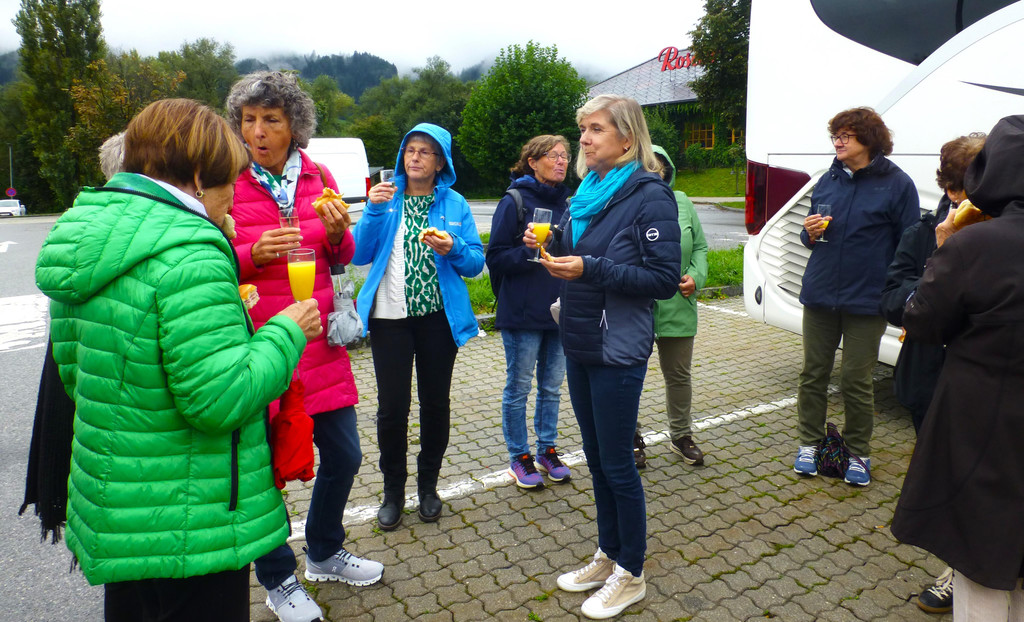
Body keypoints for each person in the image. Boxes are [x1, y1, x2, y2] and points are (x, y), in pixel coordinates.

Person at [34, 98, 322, 622]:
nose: (233, 198)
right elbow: (220, 400)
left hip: (121, 506)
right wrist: (286, 332)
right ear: (196, 179)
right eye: (228, 183)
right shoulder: (190, 254)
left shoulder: (93, 237)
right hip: (192, 516)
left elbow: (76, 374)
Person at [225, 70, 383, 622]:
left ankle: (323, 551)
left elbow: (342, 256)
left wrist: (339, 234)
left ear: (294, 125)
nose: (258, 131)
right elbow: (207, 260)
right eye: (249, 120)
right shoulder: (226, 179)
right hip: (260, 345)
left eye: (271, 119)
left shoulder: (319, 175)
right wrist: (250, 254)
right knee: (263, 472)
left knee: (345, 454)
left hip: (319, 341)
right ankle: (277, 579)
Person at [530, 94, 681, 619]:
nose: (584, 139)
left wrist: (589, 268)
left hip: (618, 347)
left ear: (627, 137)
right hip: (578, 339)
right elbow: (580, 254)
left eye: (595, 129)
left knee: (618, 464)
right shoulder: (587, 192)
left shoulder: (650, 196)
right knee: (596, 460)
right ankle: (609, 553)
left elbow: (662, 279)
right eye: (583, 129)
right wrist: (549, 248)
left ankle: (631, 573)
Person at [891, 114, 1024, 622]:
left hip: (983, 424)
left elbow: (923, 320)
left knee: (979, 560)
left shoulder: (977, 243)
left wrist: (944, 250)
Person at [352, 122, 484, 531]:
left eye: (425, 151)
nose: (415, 157)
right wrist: (372, 209)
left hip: (437, 321)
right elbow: (358, 253)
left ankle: (428, 487)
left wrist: (453, 247)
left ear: (440, 162)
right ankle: (393, 492)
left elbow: (475, 263)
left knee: (435, 404)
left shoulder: (454, 203)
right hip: (389, 320)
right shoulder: (385, 197)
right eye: (410, 149)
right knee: (392, 409)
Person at [880, 132, 985, 615]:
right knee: (943, 475)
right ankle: (955, 568)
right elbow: (891, 297)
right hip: (930, 378)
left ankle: (971, 570)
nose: (960, 198)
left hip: (987, 382)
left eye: (970, 188)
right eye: (954, 188)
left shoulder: (1002, 234)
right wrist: (940, 262)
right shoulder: (925, 231)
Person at [793, 107, 919, 486]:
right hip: (821, 293)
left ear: (869, 139)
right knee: (813, 374)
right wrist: (809, 233)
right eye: (835, 134)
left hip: (867, 299)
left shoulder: (897, 184)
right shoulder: (828, 179)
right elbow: (809, 236)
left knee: (855, 379)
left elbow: (910, 245)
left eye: (846, 135)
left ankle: (858, 452)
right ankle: (809, 444)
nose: (838, 141)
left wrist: (901, 293)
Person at [486, 135, 572, 489]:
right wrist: (528, 252)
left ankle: (547, 450)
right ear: (533, 162)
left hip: (558, 309)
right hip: (522, 312)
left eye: (566, 155)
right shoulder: (515, 200)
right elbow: (494, 257)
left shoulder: (570, 203)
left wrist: (557, 244)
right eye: (554, 155)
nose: (562, 161)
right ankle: (519, 456)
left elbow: (572, 249)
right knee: (519, 387)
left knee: (551, 387)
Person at [632, 145, 709, 470]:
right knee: (631, 375)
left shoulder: (683, 202)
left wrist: (696, 277)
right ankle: (631, 437)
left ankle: (681, 436)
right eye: (646, 165)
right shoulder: (627, 202)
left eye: (658, 165)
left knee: (678, 376)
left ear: (667, 170)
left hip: (678, 303)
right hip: (637, 305)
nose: (653, 171)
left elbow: (700, 247)